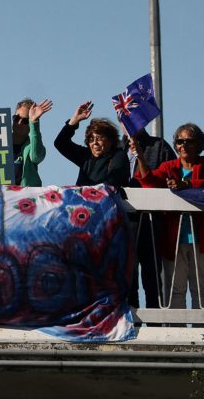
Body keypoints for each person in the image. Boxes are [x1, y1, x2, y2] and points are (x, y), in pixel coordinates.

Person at [132, 123, 204, 308]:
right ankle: (178, 331)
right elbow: (149, 181)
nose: (183, 146)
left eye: (190, 141)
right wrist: (140, 155)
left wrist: (186, 184)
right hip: (174, 238)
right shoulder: (169, 166)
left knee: (201, 290)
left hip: (201, 240)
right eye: (180, 141)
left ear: (199, 144)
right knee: (175, 291)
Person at [129, 128, 175, 309]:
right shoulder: (116, 146)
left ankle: (155, 323)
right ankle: (133, 322)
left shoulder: (159, 145)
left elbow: (172, 176)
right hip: (125, 219)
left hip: (151, 219)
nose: (127, 120)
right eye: (122, 116)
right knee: (128, 273)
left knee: (152, 274)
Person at [53, 101, 130, 188]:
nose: (95, 143)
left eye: (99, 138)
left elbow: (113, 182)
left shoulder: (119, 155)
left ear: (111, 140)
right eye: (91, 139)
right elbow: (60, 143)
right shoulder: (86, 156)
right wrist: (74, 120)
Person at [12, 98, 52, 186]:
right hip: (0, 196)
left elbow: (36, 157)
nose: (19, 123)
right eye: (16, 118)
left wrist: (34, 122)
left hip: (25, 196)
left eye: (25, 121)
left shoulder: (33, 144)